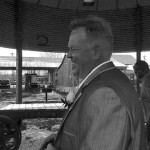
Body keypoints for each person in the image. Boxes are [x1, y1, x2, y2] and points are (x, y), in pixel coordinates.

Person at [39, 16, 146, 150]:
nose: (68, 55)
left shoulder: (105, 93)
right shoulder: (109, 79)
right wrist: (63, 139)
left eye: (74, 49)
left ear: (95, 52)